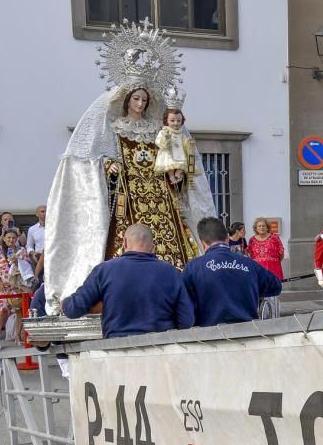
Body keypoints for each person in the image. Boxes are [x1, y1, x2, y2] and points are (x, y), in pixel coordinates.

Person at [46, 22, 217, 316]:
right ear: (126, 99)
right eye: (135, 99)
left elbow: (178, 156)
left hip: (161, 196)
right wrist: (111, 168)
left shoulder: (158, 128)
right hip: (129, 198)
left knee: (173, 239)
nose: (140, 104)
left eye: (144, 99)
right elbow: (94, 163)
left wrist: (176, 171)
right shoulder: (112, 126)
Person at [62, 223, 195, 338]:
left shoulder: (104, 270)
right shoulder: (171, 272)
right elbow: (187, 321)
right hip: (161, 350)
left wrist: (63, 304)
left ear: (124, 243)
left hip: (117, 349)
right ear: (153, 247)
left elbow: (74, 309)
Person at [182, 217, 282, 327]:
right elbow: (276, 286)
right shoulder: (249, 263)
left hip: (208, 335)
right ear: (227, 239)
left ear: (203, 243)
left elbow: (184, 301)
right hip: (246, 332)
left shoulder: (193, 267)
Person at [0, 227, 26, 338]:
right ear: (4, 239)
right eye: (8, 238)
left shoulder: (21, 250)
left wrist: (18, 261)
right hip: (3, 285)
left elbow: (26, 268)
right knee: (2, 310)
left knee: (19, 309)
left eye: (13, 238)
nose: (11, 240)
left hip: (17, 285)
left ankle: (17, 336)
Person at [246, 217, 284, 320]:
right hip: (257, 272)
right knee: (259, 295)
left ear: (267, 227)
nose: (261, 228)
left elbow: (281, 253)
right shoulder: (252, 240)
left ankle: (274, 318)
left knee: (273, 296)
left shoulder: (274, 238)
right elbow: (250, 255)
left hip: (273, 270)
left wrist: (271, 261)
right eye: (259, 226)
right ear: (256, 228)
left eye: (263, 226)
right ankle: (260, 317)